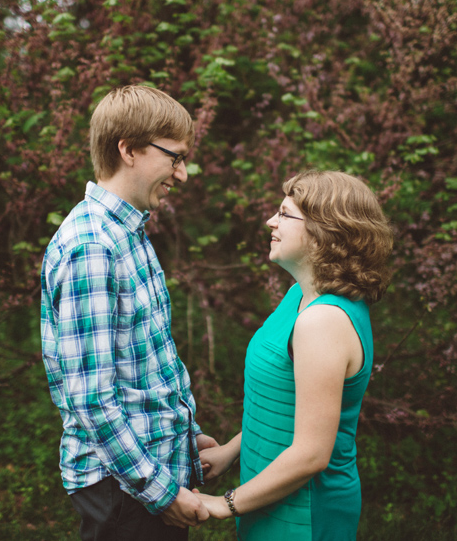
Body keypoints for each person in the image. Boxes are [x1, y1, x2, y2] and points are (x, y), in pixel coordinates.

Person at [40, 84, 216, 540]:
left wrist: (186, 437)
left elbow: (143, 364)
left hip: (144, 476)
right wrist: (163, 493)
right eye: (174, 157)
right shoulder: (93, 246)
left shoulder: (128, 232)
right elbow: (93, 399)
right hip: (125, 494)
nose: (182, 174)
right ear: (130, 149)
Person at [197, 170, 394, 540]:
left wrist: (223, 504)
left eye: (285, 214)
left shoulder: (324, 320)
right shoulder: (301, 297)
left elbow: (311, 453)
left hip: (304, 512)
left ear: (325, 231)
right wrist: (229, 452)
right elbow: (288, 405)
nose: (270, 221)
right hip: (268, 491)